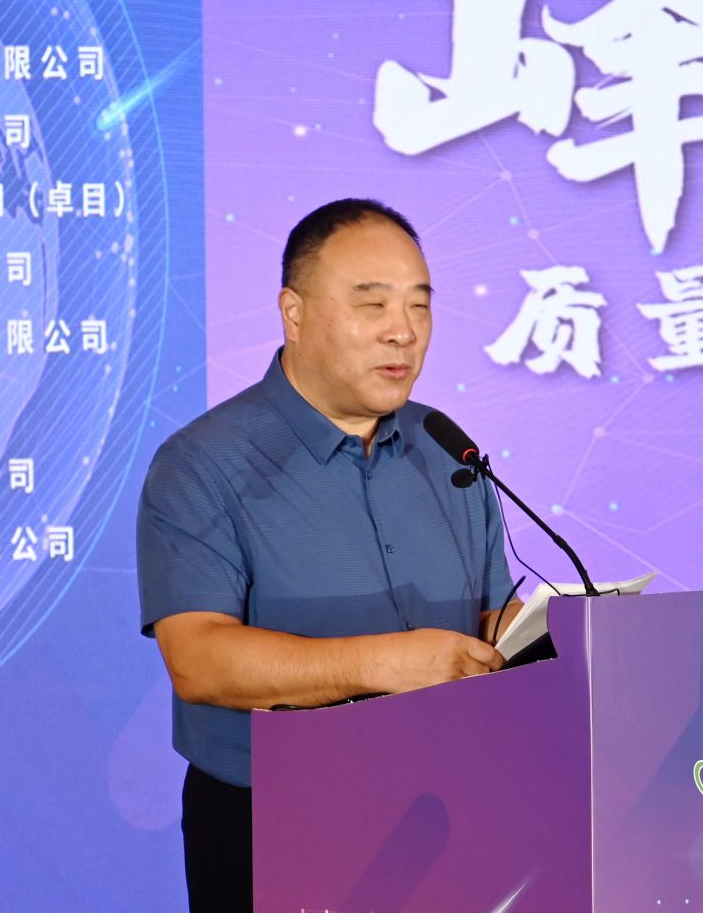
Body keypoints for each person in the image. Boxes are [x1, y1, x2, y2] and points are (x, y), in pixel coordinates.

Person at [136, 199, 523, 913]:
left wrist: (554, 636)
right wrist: (383, 665)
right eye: (372, 304)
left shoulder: (447, 448)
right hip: (278, 825)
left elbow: (493, 614)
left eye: (419, 305)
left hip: (455, 809)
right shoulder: (202, 463)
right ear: (294, 312)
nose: (403, 330)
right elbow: (199, 660)